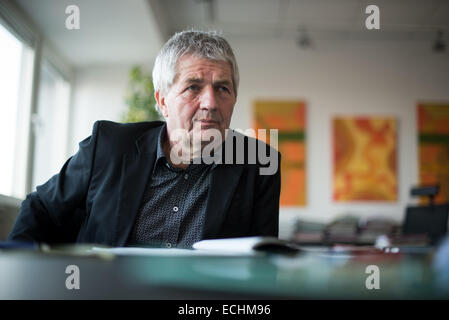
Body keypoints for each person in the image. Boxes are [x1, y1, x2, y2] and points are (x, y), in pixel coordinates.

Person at [8, 30, 281, 248]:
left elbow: (261, 260)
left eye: (223, 88)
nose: (210, 102)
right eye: (193, 87)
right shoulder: (109, 146)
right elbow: (41, 207)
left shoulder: (259, 165)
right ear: (162, 101)